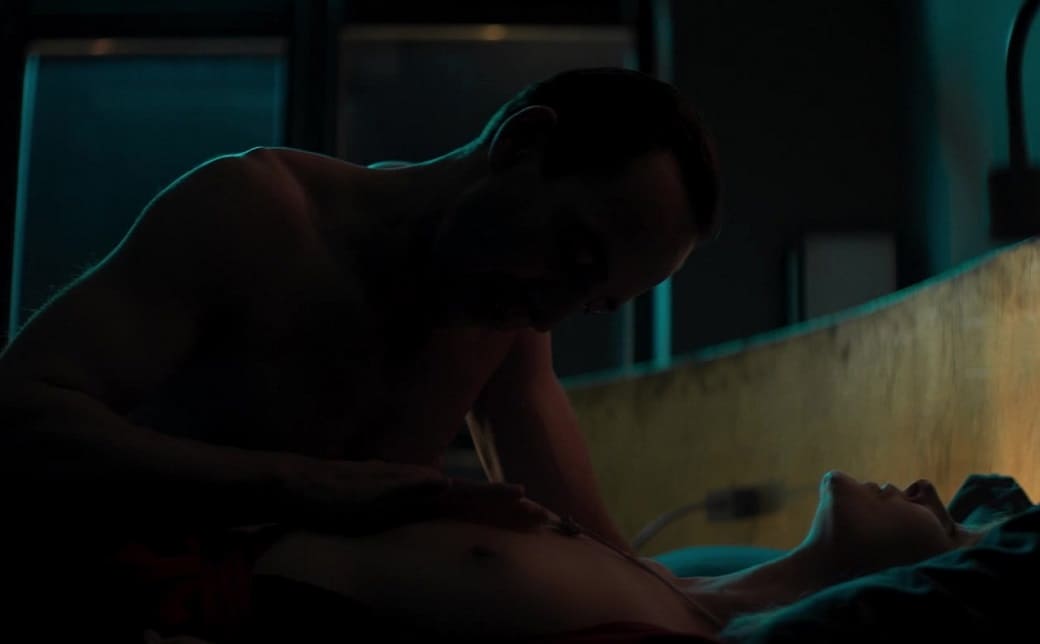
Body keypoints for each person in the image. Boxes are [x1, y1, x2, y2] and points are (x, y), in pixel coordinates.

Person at [0, 67, 720, 636]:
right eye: (573, 255)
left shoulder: (512, 317)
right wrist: (295, 482)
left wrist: (713, 609)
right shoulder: (254, 214)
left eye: (592, 301)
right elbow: (20, 412)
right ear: (522, 145)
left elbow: (607, 556)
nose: (551, 310)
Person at [174, 470, 991, 643]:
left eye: (952, 526)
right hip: (201, 549)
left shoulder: (681, 634)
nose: (928, 487)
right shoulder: (675, 577)